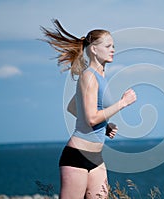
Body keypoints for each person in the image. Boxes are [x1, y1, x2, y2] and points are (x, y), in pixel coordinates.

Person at [40, 19, 137, 199]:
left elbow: (73, 107)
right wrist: (122, 103)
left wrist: (105, 126)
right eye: (108, 46)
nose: (113, 49)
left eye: (113, 46)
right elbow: (92, 118)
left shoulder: (100, 76)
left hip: (96, 158)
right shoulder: (89, 76)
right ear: (94, 49)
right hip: (77, 156)